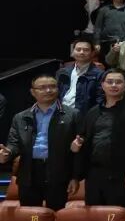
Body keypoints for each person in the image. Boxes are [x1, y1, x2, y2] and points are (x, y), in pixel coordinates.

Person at [0, 74, 80, 210]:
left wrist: (75, 177)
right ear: (33, 92)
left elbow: (78, 150)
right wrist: (7, 153)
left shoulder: (72, 115)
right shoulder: (20, 117)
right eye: (42, 87)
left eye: (52, 86)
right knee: (31, 216)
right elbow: (14, 144)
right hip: (29, 172)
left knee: (56, 214)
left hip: (59, 172)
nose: (48, 90)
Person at [56, 37, 103, 114]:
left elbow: (100, 99)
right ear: (73, 52)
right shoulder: (62, 72)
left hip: (84, 115)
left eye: (86, 50)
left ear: (92, 53)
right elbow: (56, 94)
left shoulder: (99, 74)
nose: (81, 52)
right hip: (61, 112)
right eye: (78, 49)